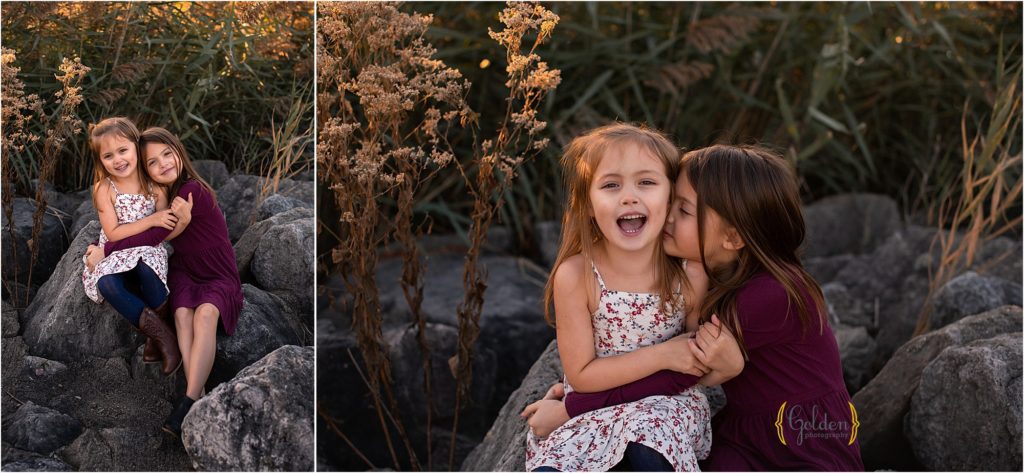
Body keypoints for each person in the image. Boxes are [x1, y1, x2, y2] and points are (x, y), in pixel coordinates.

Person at [533, 145, 865, 471]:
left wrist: (571, 409)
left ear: (733, 238)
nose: (667, 216)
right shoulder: (709, 273)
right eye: (670, 202)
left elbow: (676, 374)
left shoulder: (770, 295)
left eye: (684, 210)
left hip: (803, 439)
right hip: (744, 431)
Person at [523, 124, 740, 472]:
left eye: (647, 182)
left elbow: (695, 362)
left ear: (671, 198)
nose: (629, 196)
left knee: (648, 451)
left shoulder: (689, 273)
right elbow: (581, 374)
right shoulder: (578, 275)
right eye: (611, 185)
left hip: (665, 405)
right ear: (588, 204)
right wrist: (664, 353)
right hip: (595, 407)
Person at [95, 127, 243, 438]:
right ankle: (196, 393)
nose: (163, 164)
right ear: (142, 166)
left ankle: (188, 401)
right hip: (185, 270)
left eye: (167, 154)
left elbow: (154, 237)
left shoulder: (191, 191)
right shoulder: (161, 194)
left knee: (205, 314)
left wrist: (105, 249)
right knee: (180, 315)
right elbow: (149, 235)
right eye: (152, 161)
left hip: (215, 271)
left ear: (179, 151)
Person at [81, 117, 183, 376]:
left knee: (148, 269)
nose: (118, 160)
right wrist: (151, 219)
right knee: (107, 283)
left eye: (123, 150)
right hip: (116, 247)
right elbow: (113, 233)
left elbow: (160, 232)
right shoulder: (105, 188)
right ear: (100, 160)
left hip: (148, 245)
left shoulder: (154, 184)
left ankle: (155, 337)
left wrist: (157, 222)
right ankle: (164, 337)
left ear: (136, 147)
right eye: (108, 155)